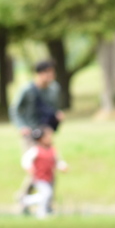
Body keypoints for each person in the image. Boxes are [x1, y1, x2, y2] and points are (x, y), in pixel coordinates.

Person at [10, 60, 64, 203]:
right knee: (36, 170)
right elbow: (15, 110)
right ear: (39, 74)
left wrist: (57, 117)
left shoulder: (54, 89)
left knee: (49, 168)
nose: (50, 75)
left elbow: (52, 108)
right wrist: (21, 126)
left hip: (45, 134)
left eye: (52, 72)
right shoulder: (27, 90)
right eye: (47, 72)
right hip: (30, 134)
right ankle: (24, 199)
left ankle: (47, 204)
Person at [19, 126, 68, 219]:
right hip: (39, 177)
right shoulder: (36, 150)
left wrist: (63, 166)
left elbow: (56, 161)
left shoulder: (52, 150)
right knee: (46, 193)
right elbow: (26, 160)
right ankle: (38, 210)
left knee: (47, 195)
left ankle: (28, 202)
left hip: (49, 177)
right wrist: (29, 168)